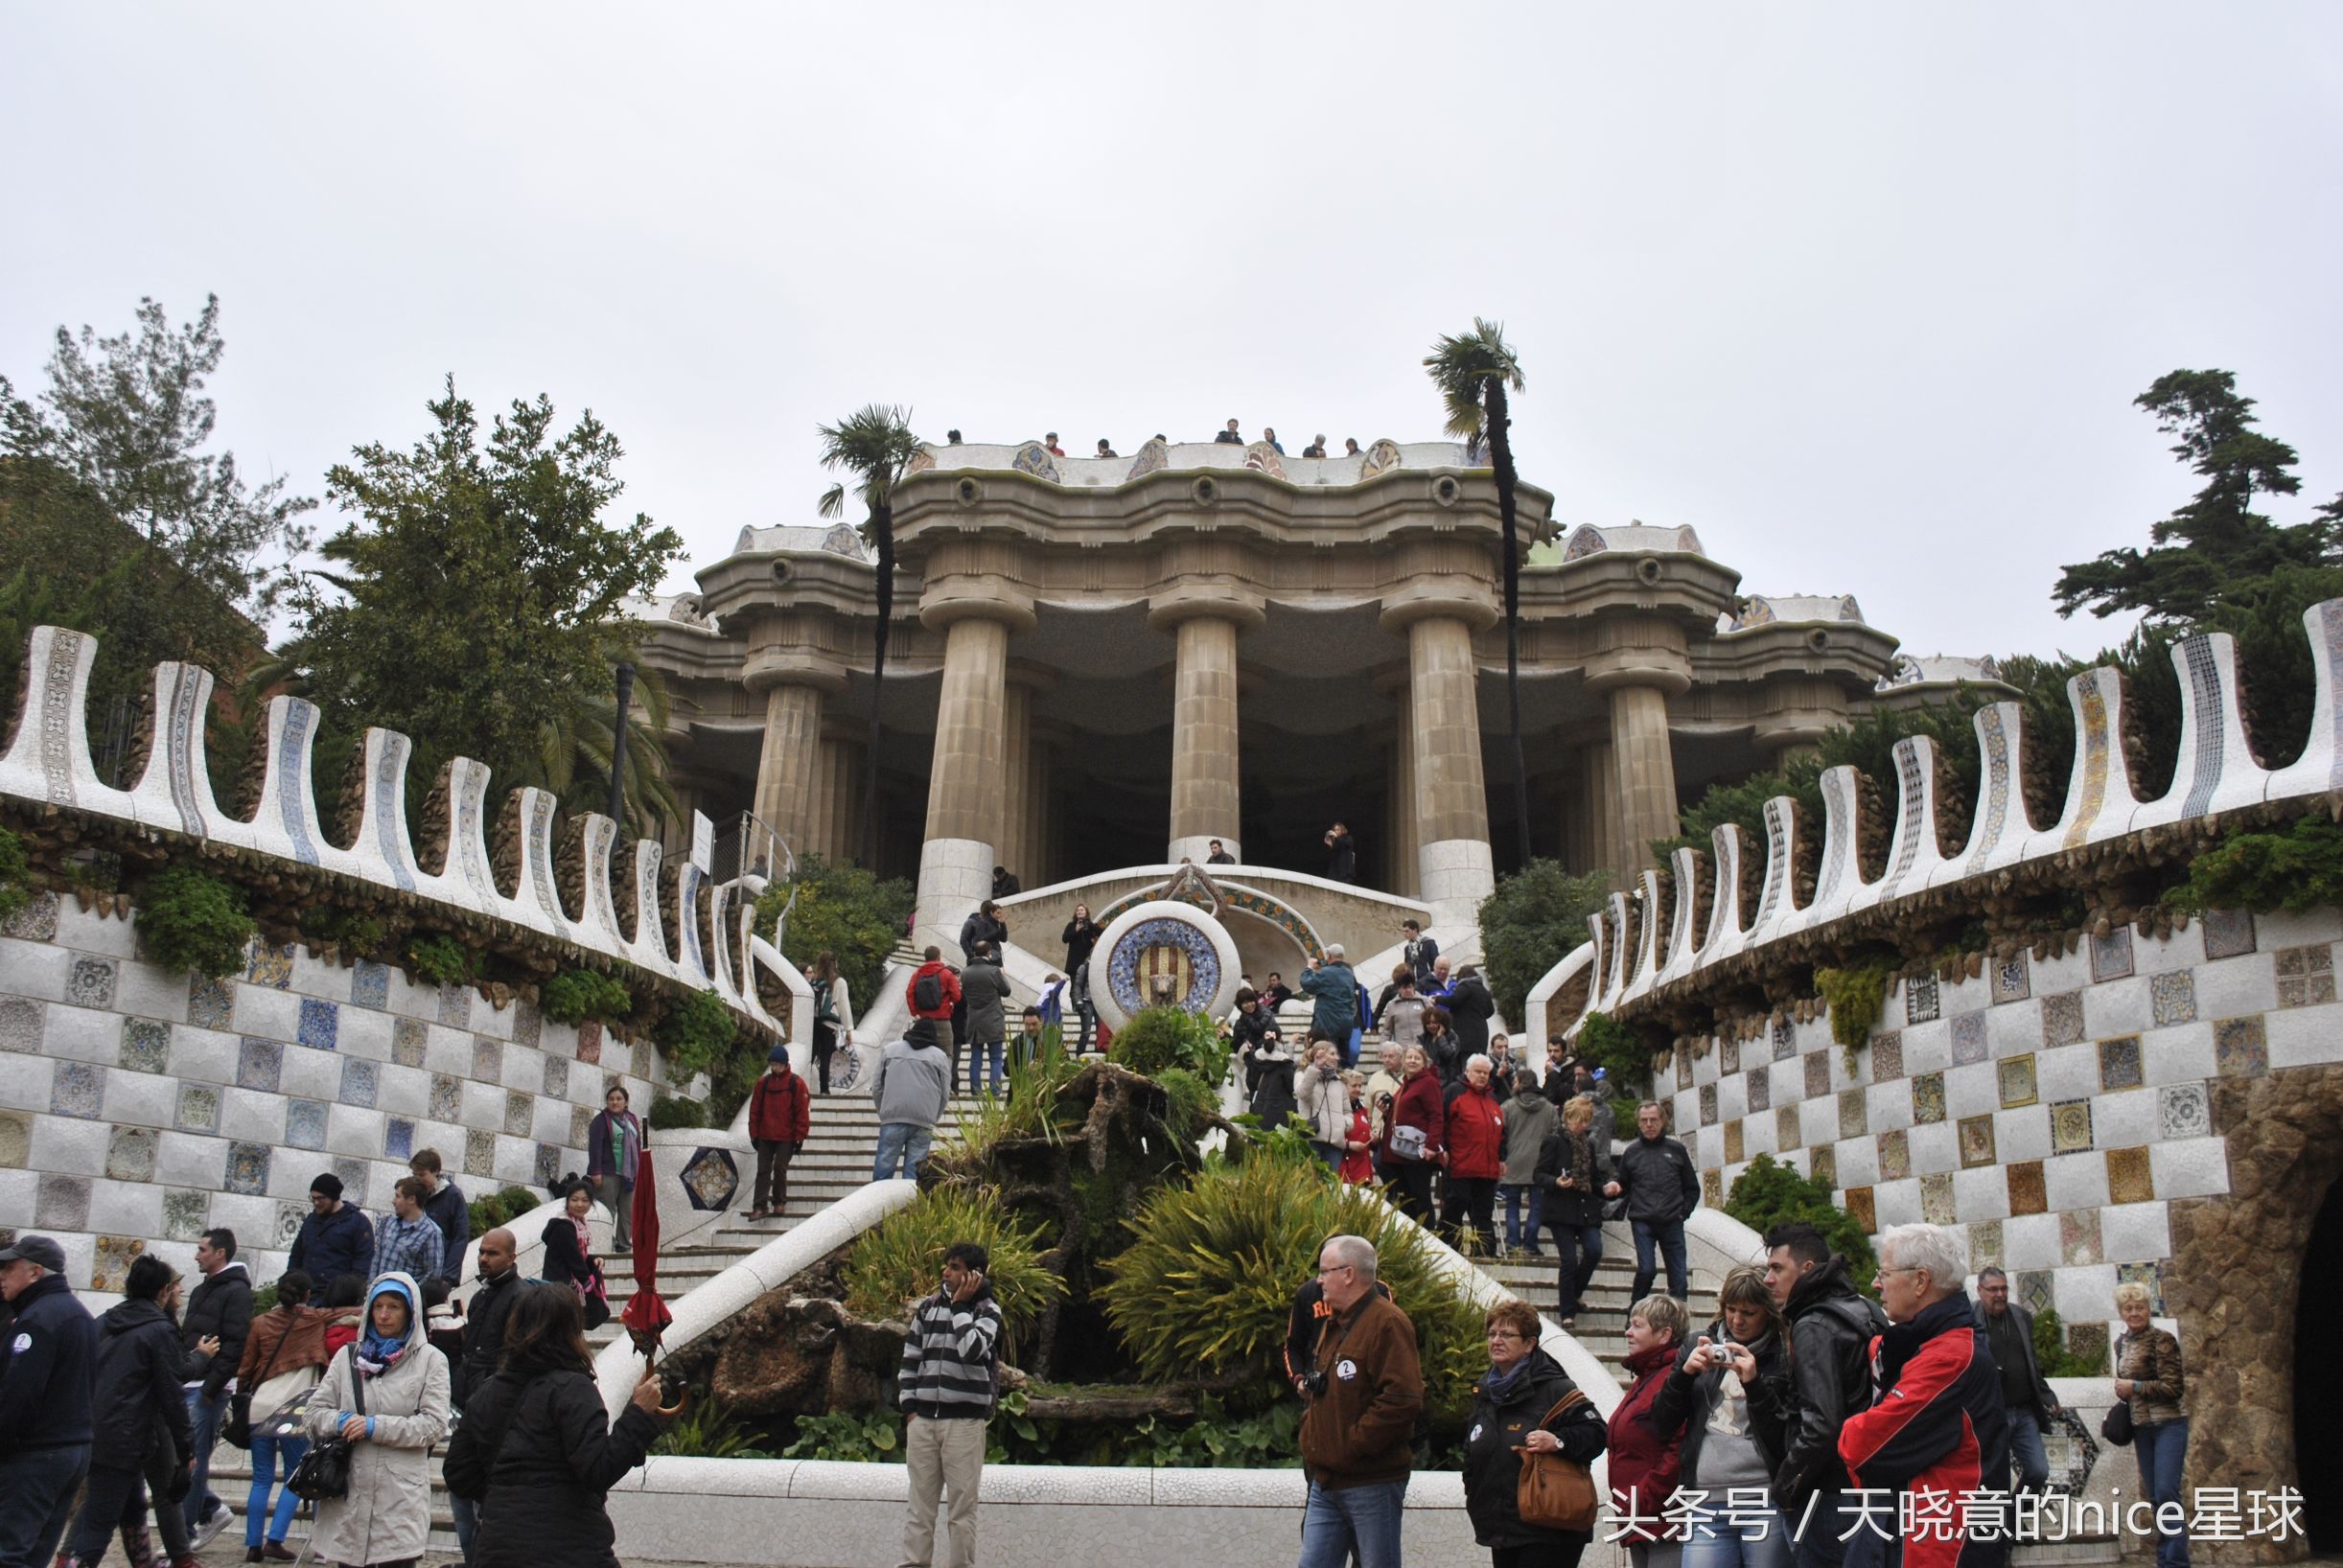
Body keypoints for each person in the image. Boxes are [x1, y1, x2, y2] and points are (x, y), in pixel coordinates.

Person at [444, 1284, 665, 1568]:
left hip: (498, 1546)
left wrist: (509, 1494)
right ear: (572, 1329)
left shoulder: (488, 1392)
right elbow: (598, 1470)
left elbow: (457, 1471)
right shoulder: (573, 1389)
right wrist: (639, 1413)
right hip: (570, 1548)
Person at [1836, 1225, 2008, 1568]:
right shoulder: (1924, 1345)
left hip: (1940, 1548)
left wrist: (1853, 1430)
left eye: (1883, 1273)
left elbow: (1861, 1448)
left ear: (1920, 1281)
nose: (1875, 1284)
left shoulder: (1950, 1357)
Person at [1647, 1266, 1796, 1568]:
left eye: (1749, 1312)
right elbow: (1660, 1424)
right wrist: (1684, 1375)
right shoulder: (1697, 1344)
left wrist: (1755, 1385)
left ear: (1767, 1312)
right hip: (1706, 1499)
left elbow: (1783, 1437)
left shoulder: (1784, 1352)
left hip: (1764, 1498)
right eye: (1731, 1309)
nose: (1737, 1320)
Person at [304, 1272, 452, 1568]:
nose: (384, 1315)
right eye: (378, 1306)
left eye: (394, 1307)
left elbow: (434, 1424)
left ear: (410, 1311)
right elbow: (314, 1413)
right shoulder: (348, 1357)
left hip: (399, 1495)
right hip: (350, 1489)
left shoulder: (431, 1360)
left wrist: (375, 1426)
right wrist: (342, 1420)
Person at [1763, 1222, 1889, 1568]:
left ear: (1806, 1269)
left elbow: (1821, 1426)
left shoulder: (1813, 1325)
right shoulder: (1868, 1310)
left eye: (1777, 1268)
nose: (1768, 1279)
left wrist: (1785, 1486)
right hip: (1870, 1481)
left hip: (1829, 1491)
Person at [58, 1254, 196, 1568]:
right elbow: (172, 1396)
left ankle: (144, 1563)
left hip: (93, 1430)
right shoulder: (160, 1330)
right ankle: (73, 1561)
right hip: (124, 1439)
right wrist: (186, 1448)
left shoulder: (104, 1322)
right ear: (162, 1291)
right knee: (97, 1524)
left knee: (131, 1505)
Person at [1297, 1234, 1423, 1568]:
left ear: (1349, 1274)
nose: (1319, 1280)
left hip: (1371, 1481)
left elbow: (1402, 1398)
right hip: (1325, 1480)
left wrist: (1354, 1443)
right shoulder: (1333, 1323)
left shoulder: (1388, 1323)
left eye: (1325, 1272)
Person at [1463, 1299, 1608, 1568]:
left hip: (1549, 1528)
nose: (1496, 1340)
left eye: (1507, 1335)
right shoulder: (1486, 1392)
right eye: (1492, 1334)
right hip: (1502, 1528)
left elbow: (1597, 1433)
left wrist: (1558, 1442)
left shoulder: (1555, 1387)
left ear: (1529, 1344)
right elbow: (1471, 1451)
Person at [897, 1242, 1004, 1568]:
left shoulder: (989, 1311)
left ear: (974, 1274)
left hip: (965, 1425)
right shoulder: (928, 1307)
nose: (946, 1271)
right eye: (947, 1265)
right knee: (919, 1510)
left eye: (955, 1267)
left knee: (961, 1512)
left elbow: (972, 1351)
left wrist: (960, 1307)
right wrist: (911, 1411)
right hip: (924, 1422)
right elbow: (911, 1358)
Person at [0, 1234, 96, 1568]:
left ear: (35, 1272)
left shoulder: (38, 1319)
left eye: (8, 1268)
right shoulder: (79, 1314)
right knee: (35, 1554)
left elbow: (19, 1394)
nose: (1, 1276)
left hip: (38, 1452)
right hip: (72, 1450)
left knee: (9, 1551)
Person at [235, 1267, 328, 1564]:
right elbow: (346, 1311)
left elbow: (246, 1368)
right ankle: (275, 1540)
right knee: (293, 1476)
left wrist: (239, 1396)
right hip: (293, 1411)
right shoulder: (313, 1320)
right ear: (307, 1295)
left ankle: (253, 1545)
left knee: (261, 1479)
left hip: (259, 1408)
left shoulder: (259, 1323)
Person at [451, 1228, 526, 1562]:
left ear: (512, 1257)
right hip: (468, 1404)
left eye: (492, 1253)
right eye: (482, 1252)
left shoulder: (520, 1297)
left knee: (484, 1500)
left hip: (495, 1411)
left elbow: (512, 1355)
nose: (483, 1259)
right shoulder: (481, 1297)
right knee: (460, 1493)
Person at [178, 1225, 252, 1548]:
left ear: (220, 1253)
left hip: (208, 1389)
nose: (197, 1255)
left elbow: (235, 1345)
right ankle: (209, 1509)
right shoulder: (201, 1290)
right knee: (181, 1460)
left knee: (192, 1460)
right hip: (189, 1382)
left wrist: (210, 1389)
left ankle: (184, 1533)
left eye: (202, 1249)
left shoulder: (236, 1292)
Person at [1609, 1294, 1691, 1568]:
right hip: (1639, 1517)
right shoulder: (1647, 1375)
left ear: (1664, 1334)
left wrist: (1645, 1497)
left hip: (1662, 1519)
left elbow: (1679, 1447)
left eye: (1637, 1326)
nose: (1628, 1333)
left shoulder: (1672, 1379)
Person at [2112, 1280, 2189, 1568]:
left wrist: (2136, 1386)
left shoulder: (2163, 1340)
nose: (2134, 1313)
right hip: (2141, 1426)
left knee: (2168, 1491)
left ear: (2148, 1309)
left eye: (2140, 1307)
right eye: (2129, 1308)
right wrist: (2123, 1389)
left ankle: (2176, 1562)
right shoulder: (2122, 1343)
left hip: (2168, 1424)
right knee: (2156, 1495)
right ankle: (2163, 1558)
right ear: (2122, 1312)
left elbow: (2174, 1387)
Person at [1973, 1266, 2061, 1496]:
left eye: (2004, 1289)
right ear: (1979, 1290)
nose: (2000, 1295)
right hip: (1991, 1414)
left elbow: (2032, 1361)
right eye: (1993, 1290)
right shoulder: (1969, 1319)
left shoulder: (2021, 1316)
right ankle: (2002, 1525)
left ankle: (2012, 1514)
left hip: (2023, 1411)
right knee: (1993, 1477)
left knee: (2038, 1470)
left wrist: (2047, 1395)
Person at [1537, 1096, 1613, 1326]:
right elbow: (1539, 1175)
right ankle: (1567, 1311)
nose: (1582, 1126)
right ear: (1567, 1118)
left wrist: (1606, 1188)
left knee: (1594, 1250)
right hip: (1561, 1210)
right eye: (1578, 1121)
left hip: (1585, 1208)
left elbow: (1594, 1178)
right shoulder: (1554, 1141)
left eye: (1586, 1121)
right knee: (1568, 1260)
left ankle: (1575, 1292)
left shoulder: (1588, 1144)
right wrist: (1556, 1181)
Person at [1612, 1101, 1699, 1303]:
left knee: (1679, 1280)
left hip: (1672, 1220)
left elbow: (1692, 1187)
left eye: (1654, 1120)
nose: (1649, 1124)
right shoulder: (1632, 1152)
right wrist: (1615, 1187)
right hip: (1642, 1219)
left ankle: (1679, 1324)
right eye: (1644, 1120)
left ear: (1662, 1121)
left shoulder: (1676, 1150)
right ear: (1639, 1123)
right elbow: (1621, 1181)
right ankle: (1634, 1311)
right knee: (1646, 1270)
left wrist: (1682, 1213)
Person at [1443, 1054, 1507, 1254]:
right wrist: (1442, 1149)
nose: (1481, 1076)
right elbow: (1442, 1123)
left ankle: (1485, 1251)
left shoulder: (1493, 1099)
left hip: (1487, 1168)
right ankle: (1448, 1247)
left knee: (1484, 1212)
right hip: (1460, 1164)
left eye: (1485, 1073)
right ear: (1467, 1071)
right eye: (1478, 1072)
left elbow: (1502, 1133)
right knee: (1455, 1207)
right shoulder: (1454, 1092)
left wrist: (1502, 1158)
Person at [874, 1018, 953, 1180]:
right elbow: (945, 1093)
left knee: (883, 1169)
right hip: (923, 1121)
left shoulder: (890, 1050)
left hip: (892, 1116)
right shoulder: (940, 1057)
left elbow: (877, 1086)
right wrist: (932, 1117)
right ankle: (909, 1205)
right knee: (913, 1175)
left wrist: (884, 1112)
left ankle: (880, 1204)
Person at [1380, 1045, 1446, 1225]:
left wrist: (1432, 1145)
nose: (1412, 1061)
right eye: (1409, 1057)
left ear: (1424, 1063)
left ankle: (1428, 1236)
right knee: (1404, 1199)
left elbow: (1436, 1115)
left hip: (1417, 1151)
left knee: (1420, 1197)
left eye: (1417, 1058)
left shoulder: (1428, 1083)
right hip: (1398, 1152)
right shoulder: (1406, 1083)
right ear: (1402, 1061)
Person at [747, 1044, 811, 1221]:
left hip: (787, 1136)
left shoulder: (796, 1083)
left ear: (785, 1064)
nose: (775, 1068)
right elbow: (755, 1110)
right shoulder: (763, 1083)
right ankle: (759, 1206)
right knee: (763, 1170)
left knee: (780, 1168)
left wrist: (800, 1136)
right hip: (765, 1134)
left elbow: (802, 1112)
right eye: (773, 1065)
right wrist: (754, 1133)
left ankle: (779, 1202)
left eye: (778, 1065)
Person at [289, 1172, 375, 1303]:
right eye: (313, 1198)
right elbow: (296, 1255)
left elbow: (362, 1266)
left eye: (320, 1198)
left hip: (336, 1300)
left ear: (334, 1196)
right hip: (306, 1297)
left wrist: (346, 1295)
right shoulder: (311, 1221)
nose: (316, 1203)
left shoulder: (358, 1223)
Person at [1499, 1072, 1556, 1258]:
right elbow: (1555, 1134)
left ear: (1521, 1083)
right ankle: (1531, 1243)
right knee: (1537, 1206)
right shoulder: (1549, 1108)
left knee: (1513, 1205)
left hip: (1513, 1160)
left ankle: (1512, 1244)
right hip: (1540, 1162)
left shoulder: (1508, 1106)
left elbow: (1500, 1133)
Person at [585, 1085, 643, 1256]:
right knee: (607, 1210)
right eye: (611, 1099)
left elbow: (637, 1146)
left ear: (626, 1102)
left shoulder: (631, 1119)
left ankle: (624, 1245)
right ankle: (605, 1244)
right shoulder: (601, 1121)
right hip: (608, 1173)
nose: (615, 1102)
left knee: (627, 1212)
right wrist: (595, 1171)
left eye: (618, 1099)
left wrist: (638, 1171)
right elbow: (594, 1148)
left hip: (628, 1174)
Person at [541, 1180, 608, 1328]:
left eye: (585, 1200)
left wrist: (592, 1260)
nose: (579, 1205)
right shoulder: (564, 1226)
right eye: (574, 1200)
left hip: (566, 1287)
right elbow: (574, 1259)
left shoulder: (580, 1223)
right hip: (560, 1289)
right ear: (567, 1201)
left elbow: (577, 1254)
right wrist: (589, 1285)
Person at [961, 940, 1013, 1096]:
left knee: (976, 1057)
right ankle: (995, 1090)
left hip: (974, 1020)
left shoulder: (965, 972)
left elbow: (964, 994)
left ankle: (975, 1090)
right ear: (989, 953)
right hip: (993, 1019)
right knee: (996, 1058)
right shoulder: (993, 971)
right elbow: (1006, 991)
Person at [408, 1150, 467, 1283]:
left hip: (440, 1274)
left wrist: (449, 1276)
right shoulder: (414, 1195)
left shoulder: (453, 1195)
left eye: (422, 1174)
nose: (417, 1179)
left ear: (435, 1171)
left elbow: (460, 1236)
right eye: (414, 1175)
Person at [373, 1176, 445, 1284]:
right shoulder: (389, 1222)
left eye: (398, 1196)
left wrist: (410, 1294)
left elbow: (433, 1275)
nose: (393, 1201)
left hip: (405, 1298)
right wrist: (371, 1286)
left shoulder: (432, 1233)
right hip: (379, 1293)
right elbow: (377, 1258)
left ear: (411, 1199)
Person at [808, 949, 856, 1095]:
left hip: (814, 1022)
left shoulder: (815, 980)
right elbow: (844, 1005)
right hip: (829, 1024)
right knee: (825, 1057)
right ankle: (824, 1090)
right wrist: (848, 1029)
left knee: (810, 1055)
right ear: (835, 963)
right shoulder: (839, 982)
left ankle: (802, 1084)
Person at [1296, 1040, 1351, 1165]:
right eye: (1332, 1054)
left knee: (1331, 1184)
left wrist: (1344, 1124)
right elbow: (1303, 1094)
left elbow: (1348, 1112)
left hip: (1334, 1145)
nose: (1336, 1058)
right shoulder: (1302, 1075)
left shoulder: (1339, 1082)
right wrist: (1315, 1069)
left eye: (1336, 1054)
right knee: (1310, 1183)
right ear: (1320, 1055)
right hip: (1311, 1140)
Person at [906, 945, 963, 1059]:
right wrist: (950, 1004)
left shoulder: (917, 974)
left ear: (925, 958)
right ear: (939, 957)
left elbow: (909, 993)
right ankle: (944, 1076)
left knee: (922, 1053)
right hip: (942, 1020)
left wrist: (915, 1013)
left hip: (923, 1021)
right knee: (947, 1054)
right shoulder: (947, 974)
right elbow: (957, 996)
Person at [1300, 947, 1357, 1052]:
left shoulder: (1326, 972)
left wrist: (1309, 967)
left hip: (1327, 1024)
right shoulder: (1349, 974)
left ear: (1329, 956)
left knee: (1325, 1057)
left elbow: (1307, 983)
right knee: (1340, 1058)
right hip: (1345, 1025)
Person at [1248, 1026, 1299, 1129]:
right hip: (1280, 1111)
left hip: (1259, 1105)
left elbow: (1250, 1081)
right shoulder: (1284, 1062)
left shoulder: (1255, 1059)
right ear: (1280, 1039)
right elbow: (1291, 1087)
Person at [1449, 964, 1496, 1061]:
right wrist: (1478, 1015)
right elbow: (1491, 1010)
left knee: (1468, 1068)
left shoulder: (1465, 986)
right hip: (1482, 1035)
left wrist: (1438, 999)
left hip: (1466, 1039)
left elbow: (1453, 1001)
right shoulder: (1483, 990)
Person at [1337, 1072, 1377, 1184]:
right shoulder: (1335, 1108)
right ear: (1343, 1087)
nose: (1358, 1089)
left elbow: (1365, 1132)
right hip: (1345, 1168)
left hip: (1363, 1168)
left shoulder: (1362, 1108)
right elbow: (1331, 1136)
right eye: (1354, 1086)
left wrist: (1373, 1138)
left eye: (1360, 1086)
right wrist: (1349, 1145)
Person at [1377, 970, 1427, 1049]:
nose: (1407, 990)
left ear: (1414, 986)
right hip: (1402, 1049)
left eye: (1410, 987)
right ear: (1398, 989)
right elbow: (1387, 1031)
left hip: (1422, 1047)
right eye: (1404, 988)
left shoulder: (1424, 1001)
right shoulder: (1392, 1005)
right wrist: (1382, 1048)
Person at [1421, 1005, 1463, 1085]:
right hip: (1428, 1078)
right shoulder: (1424, 1038)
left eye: (1434, 1023)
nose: (1431, 1026)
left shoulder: (1451, 1036)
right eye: (1428, 1023)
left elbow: (1449, 1055)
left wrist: (1440, 1037)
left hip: (1447, 1080)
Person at [1399, 919, 1439, 984]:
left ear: (1414, 930)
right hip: (1414, 983)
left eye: (1407, 931)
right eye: (1403, 931)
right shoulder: (1407, 949)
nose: (1404, 934)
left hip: (1428, 981)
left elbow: (1436, 962)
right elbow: (1407, 966)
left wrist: (1433, 978)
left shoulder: (1428, 943)